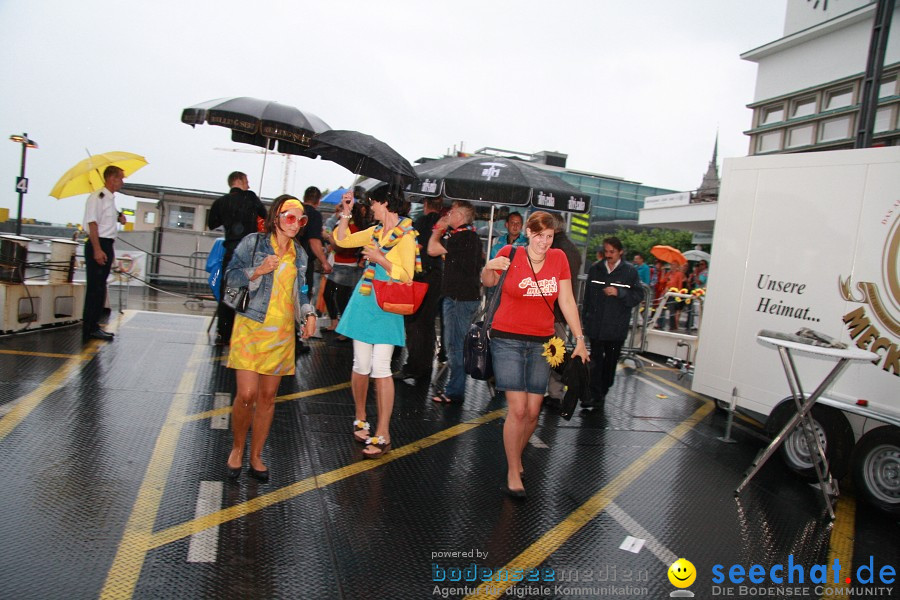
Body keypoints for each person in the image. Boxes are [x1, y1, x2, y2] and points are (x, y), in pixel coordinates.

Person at [482, 211, 589, 498]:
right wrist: (489, 267)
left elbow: (566, 300)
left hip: (543, 341)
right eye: (539, 235)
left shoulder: (558, 259)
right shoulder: (510, 252)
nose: (544, 242)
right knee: (517, 410)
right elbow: (489, 283)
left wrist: (580, 339)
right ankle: (514, 468)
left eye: (549, 237)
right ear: (528, 232)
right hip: (507, 339)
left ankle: (515, 456)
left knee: (532, 412)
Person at [224, 195, 317, 482]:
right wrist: (258, 270)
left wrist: (308, 314)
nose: (296, 224)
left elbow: (301, 291)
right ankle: (238, 448)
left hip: (280, 333)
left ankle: (256, 455)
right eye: (290, 217)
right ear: (276, 216)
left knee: (267, 397)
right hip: (250, 327)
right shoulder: (253, 244)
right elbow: (230, 276)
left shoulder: (299, 254)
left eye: (301, 219)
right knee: (247, 395)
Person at [333, 187, 417, 458]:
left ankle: (383, 432)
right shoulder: (375, 231)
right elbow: (343, 241)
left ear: (386, 203)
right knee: (361, 364)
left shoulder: (407, 235)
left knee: (381, 368)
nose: (370, 208)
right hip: (365, 300)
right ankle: (360, 417)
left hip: (388, 304)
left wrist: (381, 259)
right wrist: (345, 211)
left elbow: (407, 276)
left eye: (373, 203)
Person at [427, 200, 482, 404]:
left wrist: (437, 231)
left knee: (455, 345)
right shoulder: (468, 237)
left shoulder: (463, 238)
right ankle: (455, 388)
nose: (447, 215)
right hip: (460, 297)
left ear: (460, 217)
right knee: (455, 344)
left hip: (459, 299)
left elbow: (432, 249)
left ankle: (455, 390)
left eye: (451, 213)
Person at [581, 237, 643, 410]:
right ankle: (593, 394)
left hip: (616, 328)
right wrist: (585, 319)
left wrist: (620, 292)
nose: (608, 255)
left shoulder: (630, 271)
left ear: (620, 252)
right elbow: (587, 296)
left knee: (610, 362)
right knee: (595, 362)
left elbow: (638, 295)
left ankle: (603, 390)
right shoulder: (596, 269)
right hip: (597, 326)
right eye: (606, 251)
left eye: (612, 252)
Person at [207, 171, 267, 345]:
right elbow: (264, 216)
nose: (249, 184)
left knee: (228, 292)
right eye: (247, 180)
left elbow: (212, 224)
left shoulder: (220, 202)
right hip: (249, 253)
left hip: (230, 252)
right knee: (248, 292)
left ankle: (223, 333)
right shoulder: (251, 198)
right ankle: (243, 332)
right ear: (239, 180)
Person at [395, 195, 444, 384]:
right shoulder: (442, 224)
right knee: (428, 323)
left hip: (420, 276)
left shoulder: (421, 222)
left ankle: (414, 366)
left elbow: (416, 246)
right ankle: (425, 365)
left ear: (425, 205)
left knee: (414, 322)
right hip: (436, 276)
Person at [82, 166, 128, 341]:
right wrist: (97, 249)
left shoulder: (109, 200)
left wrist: (120, 217)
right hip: (98, 243)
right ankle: (90, 328)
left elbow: (108, 217)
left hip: (107, 243)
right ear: (112, 178)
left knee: (101, 288)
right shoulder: (97, 197)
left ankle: (94, 325)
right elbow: (92, 224)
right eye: (120, 178)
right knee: (95, 289)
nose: (122, 182)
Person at [545, 217, 583, 406]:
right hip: (562, 311)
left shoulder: (553, 249)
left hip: (549, 309)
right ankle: (555, 392)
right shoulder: (572, 249)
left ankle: (554, 394)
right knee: (555, 352)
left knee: (551, 354)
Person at [322, 200, 367, 336]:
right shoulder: (352, 227)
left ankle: (344, 329)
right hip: (340, 264)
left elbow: (342, 247)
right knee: (332, 295)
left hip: (346, 266)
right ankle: (337, 324)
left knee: (341, 299)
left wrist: (329, 238)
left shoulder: (352, 228)